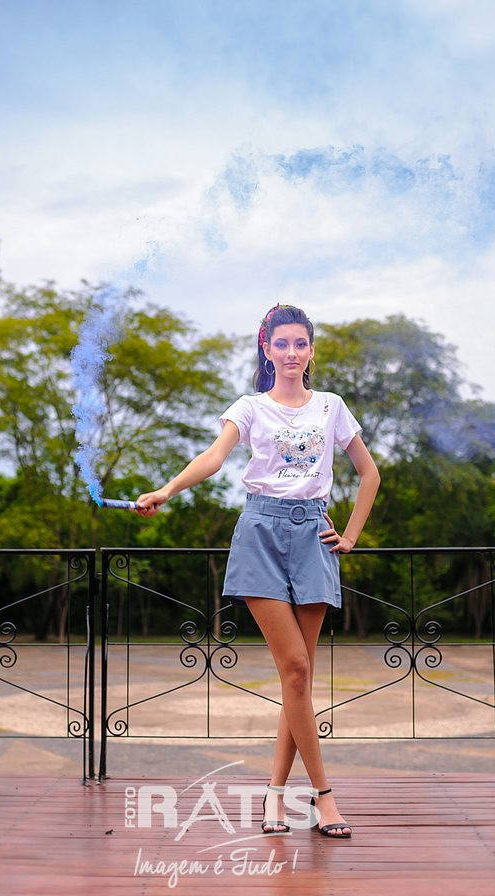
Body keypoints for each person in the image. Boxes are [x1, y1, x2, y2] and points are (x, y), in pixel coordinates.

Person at [136, 303, 380, 839]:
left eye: (300, 343)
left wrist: (351, 536)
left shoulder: (332, 406)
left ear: (311, 350)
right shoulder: (249, 407)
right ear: (267, 350)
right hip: (260, 535)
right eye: (282, 344)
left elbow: (370, 474)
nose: (291, 353)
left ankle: (274, 795)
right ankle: (324, 798)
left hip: (314, 535)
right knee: (295, 669)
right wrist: (167, 490)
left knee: (299, 679)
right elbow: (213, 457)